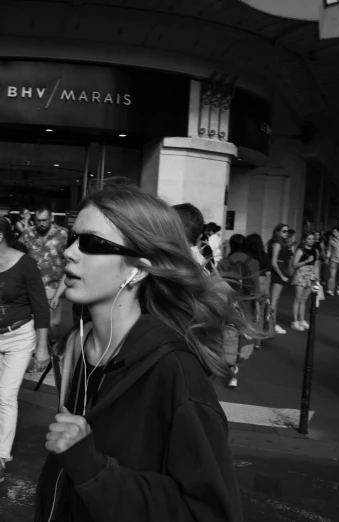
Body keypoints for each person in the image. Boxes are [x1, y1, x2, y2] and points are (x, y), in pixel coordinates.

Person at [34, 181, 246, 522]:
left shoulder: (175, 372)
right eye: (73, 238)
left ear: (137, 270)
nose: (70, 251)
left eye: (90, 243)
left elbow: (210, 513)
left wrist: (92, 468)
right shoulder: (75, 345)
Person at [0, 216, 50, 485]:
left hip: (18, 337)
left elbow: (41, 307)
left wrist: (41, 348)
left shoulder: (25, 264)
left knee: (5, 396)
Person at [21, 207, 70, 346]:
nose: (41, 223)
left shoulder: (63, 234)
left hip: (53, 286)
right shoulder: (27, 234)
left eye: (44, 220)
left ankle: (52, 344)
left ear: (51, 219)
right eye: (38, 221)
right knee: (31, 322)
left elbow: (69, 261)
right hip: (30, 286)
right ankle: (35, 351)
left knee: (52, 323)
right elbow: (18, 254)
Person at [217, 234, 260, 388]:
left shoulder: (223, 262)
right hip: (246, 304)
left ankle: (231, 370)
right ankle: (236, 364)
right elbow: (256, 287)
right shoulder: (254, 262)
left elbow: (218, 286)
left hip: (229, 303)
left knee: (229, 335)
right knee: (244, 336)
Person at [291, 232, 320, 331]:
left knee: (304, 299)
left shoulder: (316, 251)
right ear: (304, 240)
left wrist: (316, 275)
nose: (311, 240)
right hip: (301, 275)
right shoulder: (300, 250)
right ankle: (295, 321)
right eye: (309, 239)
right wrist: (306, 261)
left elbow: (316, 264)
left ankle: (301, 319)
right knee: (298, 298)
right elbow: (294, 265)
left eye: (312, 239)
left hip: (311, 275)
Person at [267, 223, 291, 335]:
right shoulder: (276, 244)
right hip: (277, 273)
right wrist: (282, 275)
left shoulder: (277, 242)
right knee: (274, 301)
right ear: (277, 232)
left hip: (279, 271)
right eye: (284, 231)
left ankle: (271, 323)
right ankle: (273, 324)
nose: (286, 233)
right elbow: (273, 262)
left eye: (287, 231)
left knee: (273, 300)